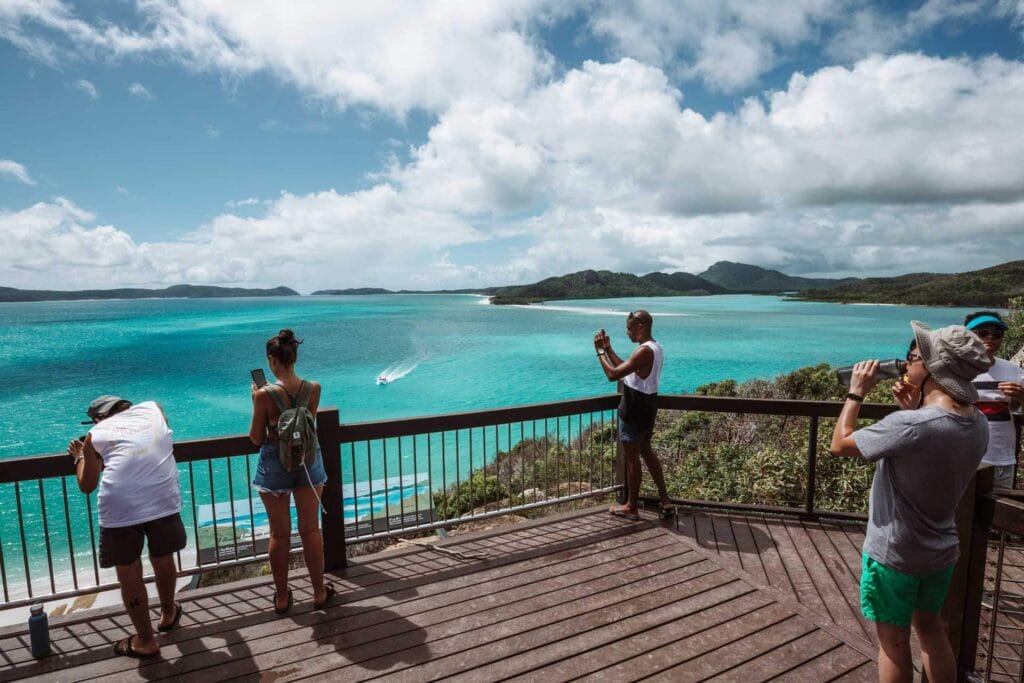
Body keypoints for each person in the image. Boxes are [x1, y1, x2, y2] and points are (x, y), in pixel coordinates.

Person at [830, 322, 993, 683]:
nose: (907, 362)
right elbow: (931, 449)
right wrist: (917, 406)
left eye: (915, 357)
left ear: (934, 369)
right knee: (932, 630)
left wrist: (856, 393)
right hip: (940, 549)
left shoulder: (912, 424)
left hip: (895, 553)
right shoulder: (978, 422)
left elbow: (840, 444)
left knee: (893, 643)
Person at [67, 395, 186, 658]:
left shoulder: (95, 434)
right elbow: (155, 434)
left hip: (121, 508)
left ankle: (146, 640)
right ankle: (168, 613)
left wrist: (81, 456)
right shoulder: (153, 408)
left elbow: (87, 485)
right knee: (163, 557)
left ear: (99, 417)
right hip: (162, 497)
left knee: (129, 571)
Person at [249, 329, 334, 614]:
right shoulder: (314, 389)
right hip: (308, 461)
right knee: (310, 529)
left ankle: (283, 597)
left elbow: (256, 438)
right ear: (294, 358)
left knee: (279, 534)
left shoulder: (264, 395)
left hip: (275, 464)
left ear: (271, 360)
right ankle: (319, 591)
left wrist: (255, 400)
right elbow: (310, 423)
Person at [593, 310, 672, 520]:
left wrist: (599, 352)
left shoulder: (643, 351)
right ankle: (665, 500)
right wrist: (608, 349)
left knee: (632, 459)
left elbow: (613, 374)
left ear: (640, 326)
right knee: (646, 452)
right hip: (647, 408)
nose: (627, 333)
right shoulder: (655, 348)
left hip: (633, 410)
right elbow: (626, 369)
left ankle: (631, 506)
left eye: (629, 329)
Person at [965, 311, 1024, 489]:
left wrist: (1021, 397)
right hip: (965, 457)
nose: (990, 337)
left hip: (1001, 456)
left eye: (997, 334)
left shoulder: (1014, 370)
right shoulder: (957, 370)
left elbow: (1015, 407)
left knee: (1000, 506)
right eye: (983, 332)